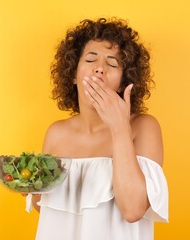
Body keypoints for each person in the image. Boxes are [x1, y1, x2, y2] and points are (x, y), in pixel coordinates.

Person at [25, 17, 168, 240]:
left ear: (123, 81)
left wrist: (120, 128)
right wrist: (31, 187)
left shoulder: (143, 127)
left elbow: (133, 210)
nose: (100, 69)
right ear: (73, 74)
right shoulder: (56, 133)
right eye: (91, 60)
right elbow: (49, 210)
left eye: (112, 64)